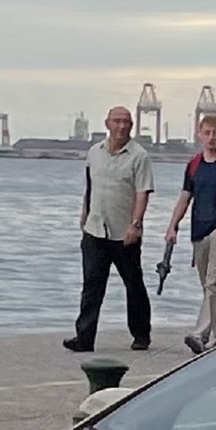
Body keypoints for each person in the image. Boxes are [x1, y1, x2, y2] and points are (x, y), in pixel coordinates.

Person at [65, 105, 152, 353]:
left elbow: (142, 192)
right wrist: (84, 214)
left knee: (133, 285)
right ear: (107, 124)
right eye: (117, 121)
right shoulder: (94, 152)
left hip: (124, 232)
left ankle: (141, 334)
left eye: (126, 122)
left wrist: (136, 224)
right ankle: (84, 337)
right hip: (95, 229)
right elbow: (90, 186)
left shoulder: (139, 156)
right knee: (92, 285)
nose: (121, 126)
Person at [163, 112, 216, 354]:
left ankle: (203, 334)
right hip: (198, 232)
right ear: (199, 134)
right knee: (209, 288)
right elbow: (184, 198)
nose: (211, 138)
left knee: (213, 283)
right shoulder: (194, 165)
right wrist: (173, 225)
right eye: (207, 133)